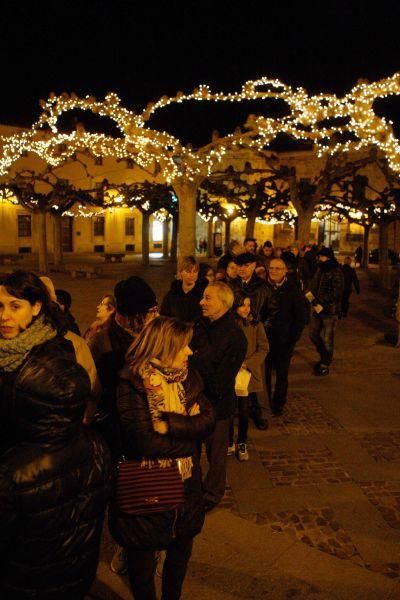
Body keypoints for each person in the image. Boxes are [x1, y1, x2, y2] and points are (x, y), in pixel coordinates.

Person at [0, 270, 111, 599]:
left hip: (31, 465)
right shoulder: (9, 351)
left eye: (14, 306)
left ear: (36, 308)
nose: (4, 315)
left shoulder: (54, 351)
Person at [109, 317, 214, 600]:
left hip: (187, 487)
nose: (190, 352)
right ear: (164, 347)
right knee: (142, 569)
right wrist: (189, 437)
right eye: (183, 347)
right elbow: (145, 442)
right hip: (146, 491)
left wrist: (170, 425)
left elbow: (208, 419)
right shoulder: (131, 382)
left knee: (179, 561)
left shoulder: (189, 377)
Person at [191, 282, 247, 510]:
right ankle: (192, 488)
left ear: (223, 303)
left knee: (216, 456)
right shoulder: (201, 326)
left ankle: (212, 495)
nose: (201, 302)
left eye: (207, 298)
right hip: (194, 402)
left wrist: (198, 385)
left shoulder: (234, 336)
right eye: (203, 297)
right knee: (192, 450)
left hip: (216, 407)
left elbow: (221, 379)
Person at [229, 294, 269, 460]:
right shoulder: (229, 324)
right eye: (242, 305)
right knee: (230, 409)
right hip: (231, 372)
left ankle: (242, 442)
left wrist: (248, 363)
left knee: (244, 410)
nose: (246, 309)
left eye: (248, 305)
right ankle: (229, 440)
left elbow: (264, 347)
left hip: (247, 373)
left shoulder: (255, 325)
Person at [265, 259, 307, 415]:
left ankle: (278, 403)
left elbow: (300, 318)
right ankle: (265, 402)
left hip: (284, 341)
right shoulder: (265, 287)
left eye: (277, 268)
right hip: (266, 340)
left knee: (282, 374)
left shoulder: (293, 290)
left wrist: (292, 340)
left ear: (285, 271)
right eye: (271, 268)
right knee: (265, 373)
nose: (274, 271)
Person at [307, 247, 344, 375]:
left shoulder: (336, 270)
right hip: (316, 308)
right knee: (313, 334)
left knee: (328, 339)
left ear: (328, 257)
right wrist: (310, 295)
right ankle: (324, 355)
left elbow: (337, 291)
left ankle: (325, 364)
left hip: (329, 310)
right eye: (319, 256)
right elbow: (313, 284)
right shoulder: (320, 269)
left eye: (322, 257)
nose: (319, 259)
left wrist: (321, 300)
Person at [161, 256, 207, 322]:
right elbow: (164, 316)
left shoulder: (203, 294)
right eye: (188, 271)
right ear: (180, 272)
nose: (192, 275)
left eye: (195, 271)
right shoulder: (172, 294)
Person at [231, 252, 270, 322]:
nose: (242, 269)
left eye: (246, 265)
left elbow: (272, 312)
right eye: (239, 265)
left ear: (254, 265)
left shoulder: (264, 286)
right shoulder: (231, 285)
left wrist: (259, 325)